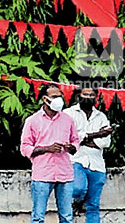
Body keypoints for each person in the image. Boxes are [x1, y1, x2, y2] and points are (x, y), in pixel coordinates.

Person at [20, 84, 80, 223]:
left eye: (60, 96)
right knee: (38, 216)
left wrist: (70, 147)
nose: (58, 100)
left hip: (64, 173)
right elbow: (25, 147)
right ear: (44, 99)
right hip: (43, 173)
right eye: (54, 97)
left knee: (66, 217)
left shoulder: (68, 120)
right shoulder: (32, 121)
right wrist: (47, 148)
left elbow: (76, 142)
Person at [65, 87, 113, 223]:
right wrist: (97, 134)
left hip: (97, 164)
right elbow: (69, 137)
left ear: (96, 98)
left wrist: (82, 140)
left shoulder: (101, 116)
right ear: (79, 96)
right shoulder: (68, 114)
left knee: (93, 204)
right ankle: (77, 202)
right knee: (77, 189)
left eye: (91, 95)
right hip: (76, 159)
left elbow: (106, 142)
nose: (88, 97)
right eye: (85, 94)